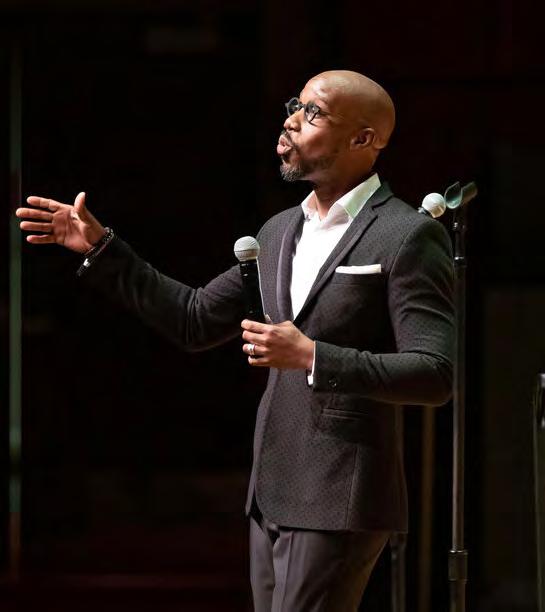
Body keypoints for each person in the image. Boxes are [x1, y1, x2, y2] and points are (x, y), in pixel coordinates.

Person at [16, 70, 454, 611]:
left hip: (340, 491)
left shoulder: (405, 234)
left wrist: (313, 355)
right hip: (271, 490)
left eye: (313, 113)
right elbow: (194, 319)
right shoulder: (279, 231)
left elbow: (434, 372)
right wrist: (102, 249)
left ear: (364, 139)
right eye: (294, 106)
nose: (291, 121)